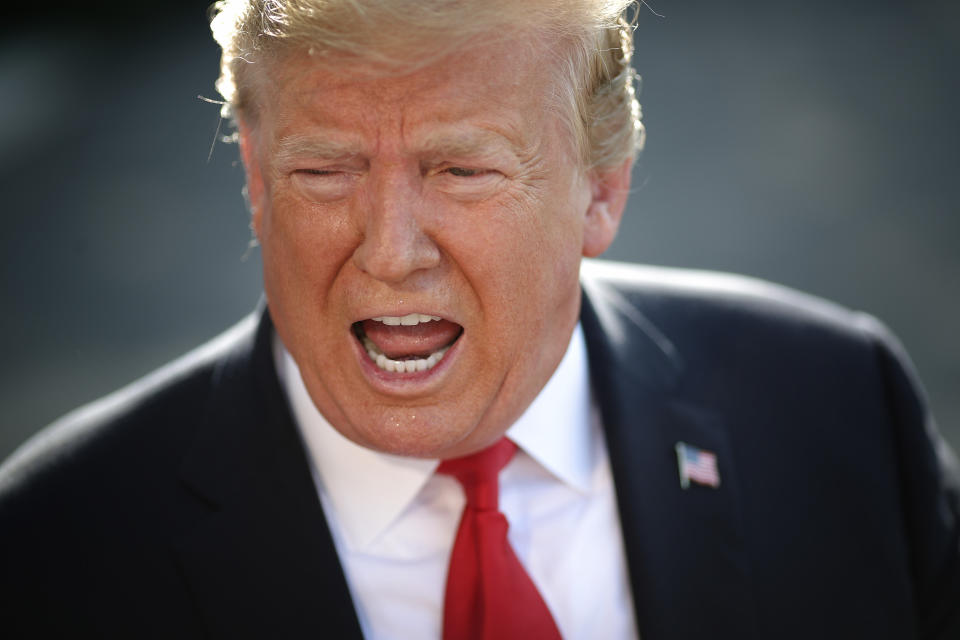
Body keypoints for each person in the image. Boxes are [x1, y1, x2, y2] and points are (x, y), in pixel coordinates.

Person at [1, 0, 958, 638]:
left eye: (461, 171)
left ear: (602, 188)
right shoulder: (53, 551)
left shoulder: (839, 407)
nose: (389, 251)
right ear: (253, 175)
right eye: (324, 171)